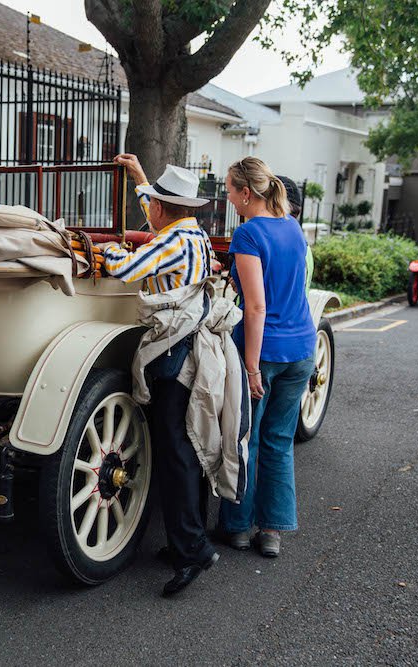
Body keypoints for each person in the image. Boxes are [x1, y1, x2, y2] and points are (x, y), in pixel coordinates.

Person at [102, 153, 222, 597]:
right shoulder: (191, 235)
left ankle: (194, 549)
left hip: (172, 351)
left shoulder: (174, 241)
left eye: (152, 202)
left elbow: (124, 268)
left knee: (174, 452)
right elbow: (155, 233)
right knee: (182, 447)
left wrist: (104, 248)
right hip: (188, 348)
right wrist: (140, 180)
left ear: (164, 208)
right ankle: (186, 541)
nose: (148, 208)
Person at [217, 157, 316, 558]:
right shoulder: (292, 228)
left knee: (247, 440)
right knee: (279, 441)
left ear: (246, 193)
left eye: (229, 191)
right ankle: (272, 531)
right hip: (303, 349)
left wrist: (252, 365)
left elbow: (255, 307)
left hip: (265, 351)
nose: (227, 197)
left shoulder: (248, 235)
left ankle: (238, 527)